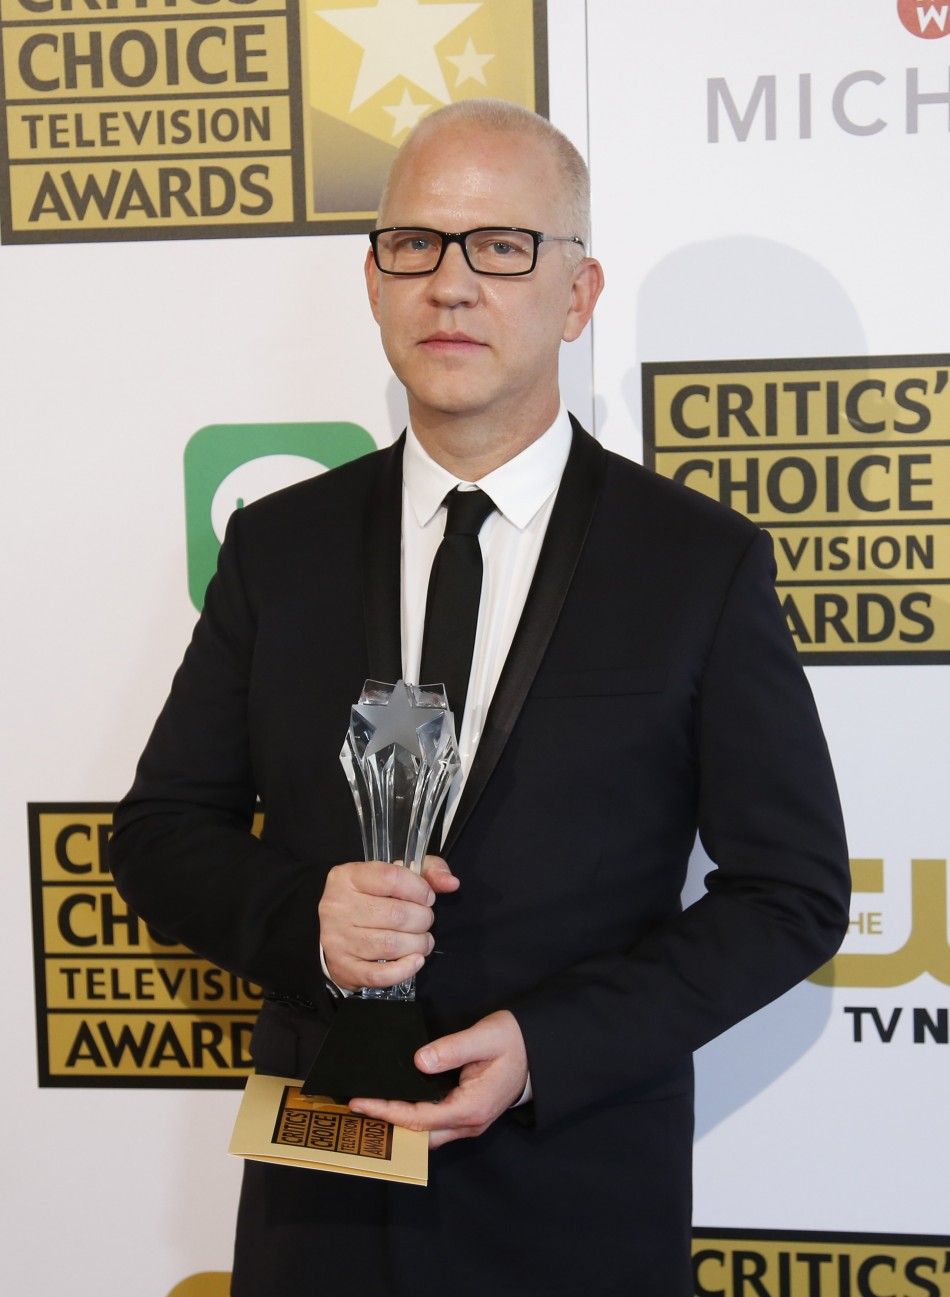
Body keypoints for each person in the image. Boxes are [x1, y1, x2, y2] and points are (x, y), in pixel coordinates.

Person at [111, 100, 850, 1297]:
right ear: (373, 278)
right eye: (414, 244)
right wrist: (306, 916)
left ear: (577, 293)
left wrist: (546, 1046)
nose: (449, 284)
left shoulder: (694, 563)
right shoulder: (276, 547)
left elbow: (791, 892)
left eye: (501, 246)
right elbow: (157, 835)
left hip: (573, 1202)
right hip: (322, 1205)